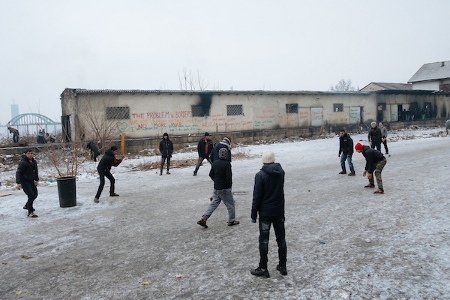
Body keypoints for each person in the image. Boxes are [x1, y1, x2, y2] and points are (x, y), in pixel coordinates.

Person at [250, 150, 287, 278]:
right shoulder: (280, 173)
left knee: (264, 241)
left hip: (265, 213)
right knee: (281, 239)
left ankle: (263, 267)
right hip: (278, 211)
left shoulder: (260, 175)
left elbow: (257, 197)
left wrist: (254, 215)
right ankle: (283, 265)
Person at [197, 148, 239, 228]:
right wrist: (229, 185)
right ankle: (231, 220)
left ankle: (204, 218)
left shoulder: (215, 163)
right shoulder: (227, 164)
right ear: (226, 155)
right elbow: (228, 177)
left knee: (213, 204)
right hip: (225, 188)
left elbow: (211, 174)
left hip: (216, 188)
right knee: (230, 204)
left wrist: (216, 181)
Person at [16, 149, 39, 218]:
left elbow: (35, 171)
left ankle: (27, 205)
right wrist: (19, 183)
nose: (30, 155)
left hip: (31, 181)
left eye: (31, 153)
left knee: (35, 194)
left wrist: (36, 179)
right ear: (25, 154)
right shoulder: (23, 163)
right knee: (31, 195)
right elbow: (18, 172)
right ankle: (30, 212)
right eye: (29, 153)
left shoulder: (34, 162)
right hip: (24, 181)